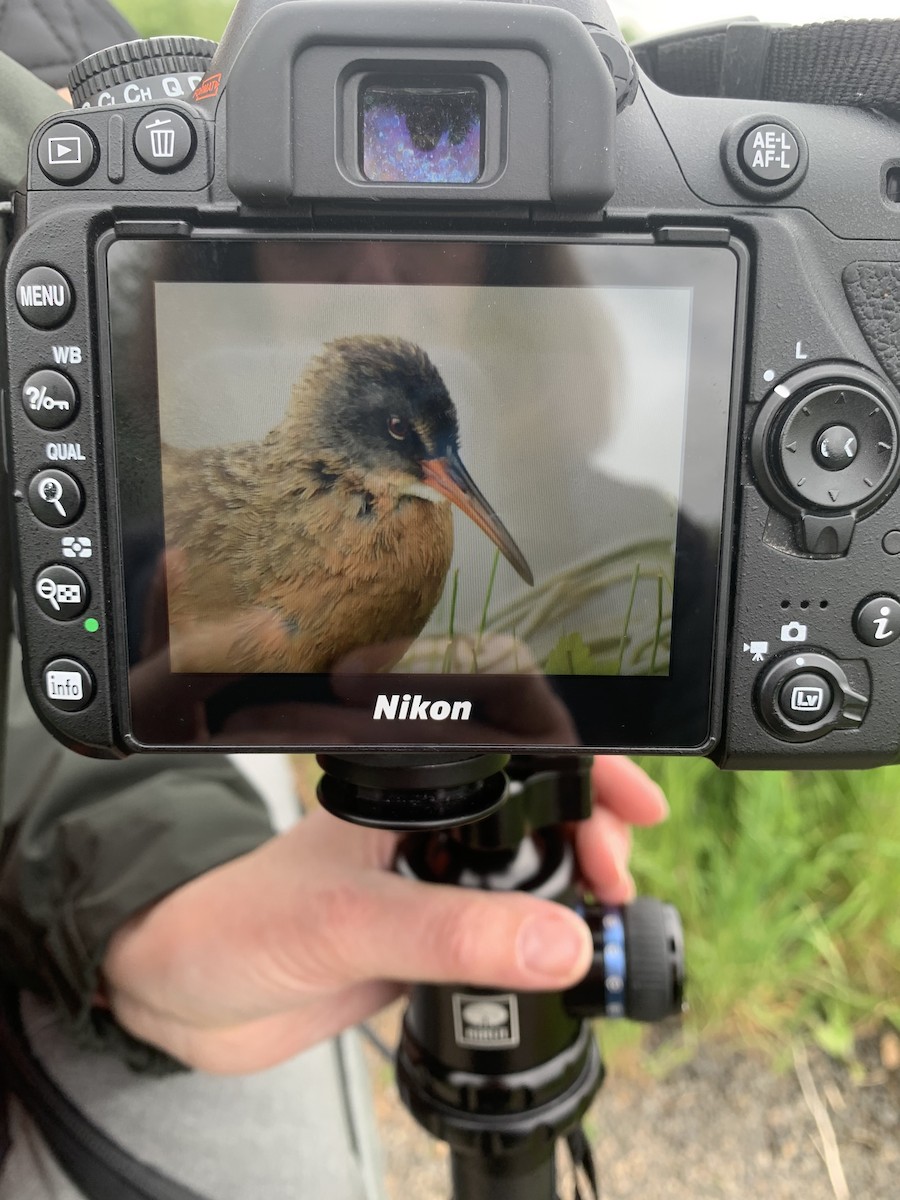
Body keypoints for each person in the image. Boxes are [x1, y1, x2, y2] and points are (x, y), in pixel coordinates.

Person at [0, 6, 670, 1199]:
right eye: (318, 232)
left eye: (443, 235)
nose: (378, 261)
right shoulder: (161, 485)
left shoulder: (622, 518)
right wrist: (143, 902)